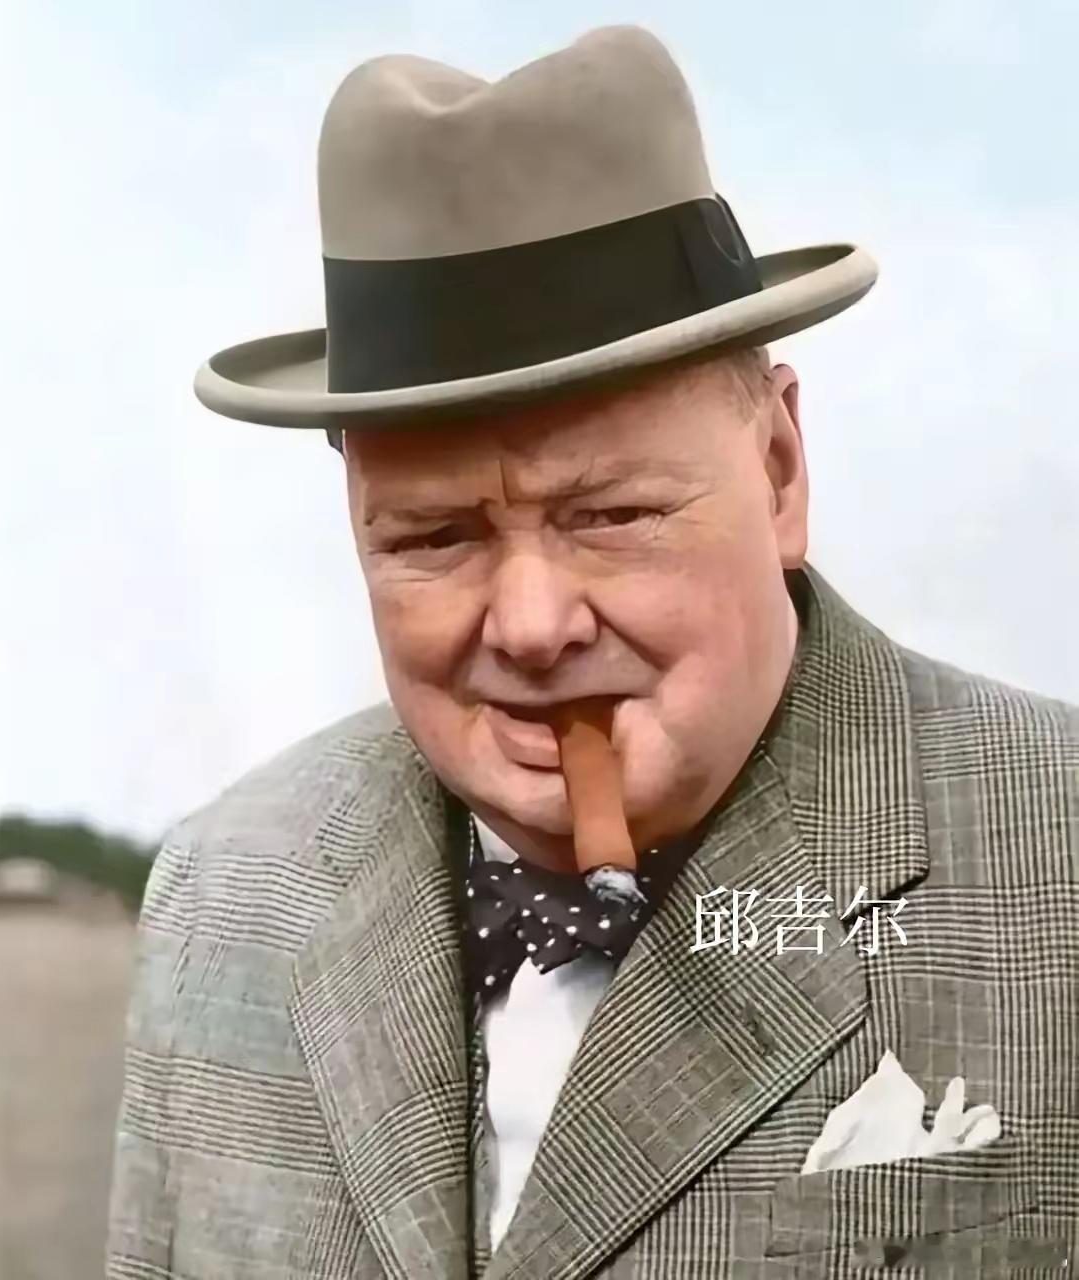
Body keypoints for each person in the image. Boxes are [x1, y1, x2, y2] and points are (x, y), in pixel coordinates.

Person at [106, 25, 1077, 1279]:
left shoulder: (1057, 862)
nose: (529, 624)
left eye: (611, 515)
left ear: (779, 469)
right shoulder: (220, 892)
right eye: (436, 535)